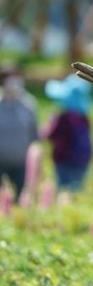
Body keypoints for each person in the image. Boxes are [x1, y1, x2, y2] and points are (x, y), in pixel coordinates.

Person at [43, 74, 93, 192]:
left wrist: (50, 122)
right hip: (82, 161)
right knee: (76, 189)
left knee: (64, 190)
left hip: (64, 160)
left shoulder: (63, 118)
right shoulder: (84, 117)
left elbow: (49, 135)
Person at [0, 70, 38, 201]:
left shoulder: (28, 104)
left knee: (18, 200)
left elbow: (34, 135)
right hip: (1, 162)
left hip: (21, 164)